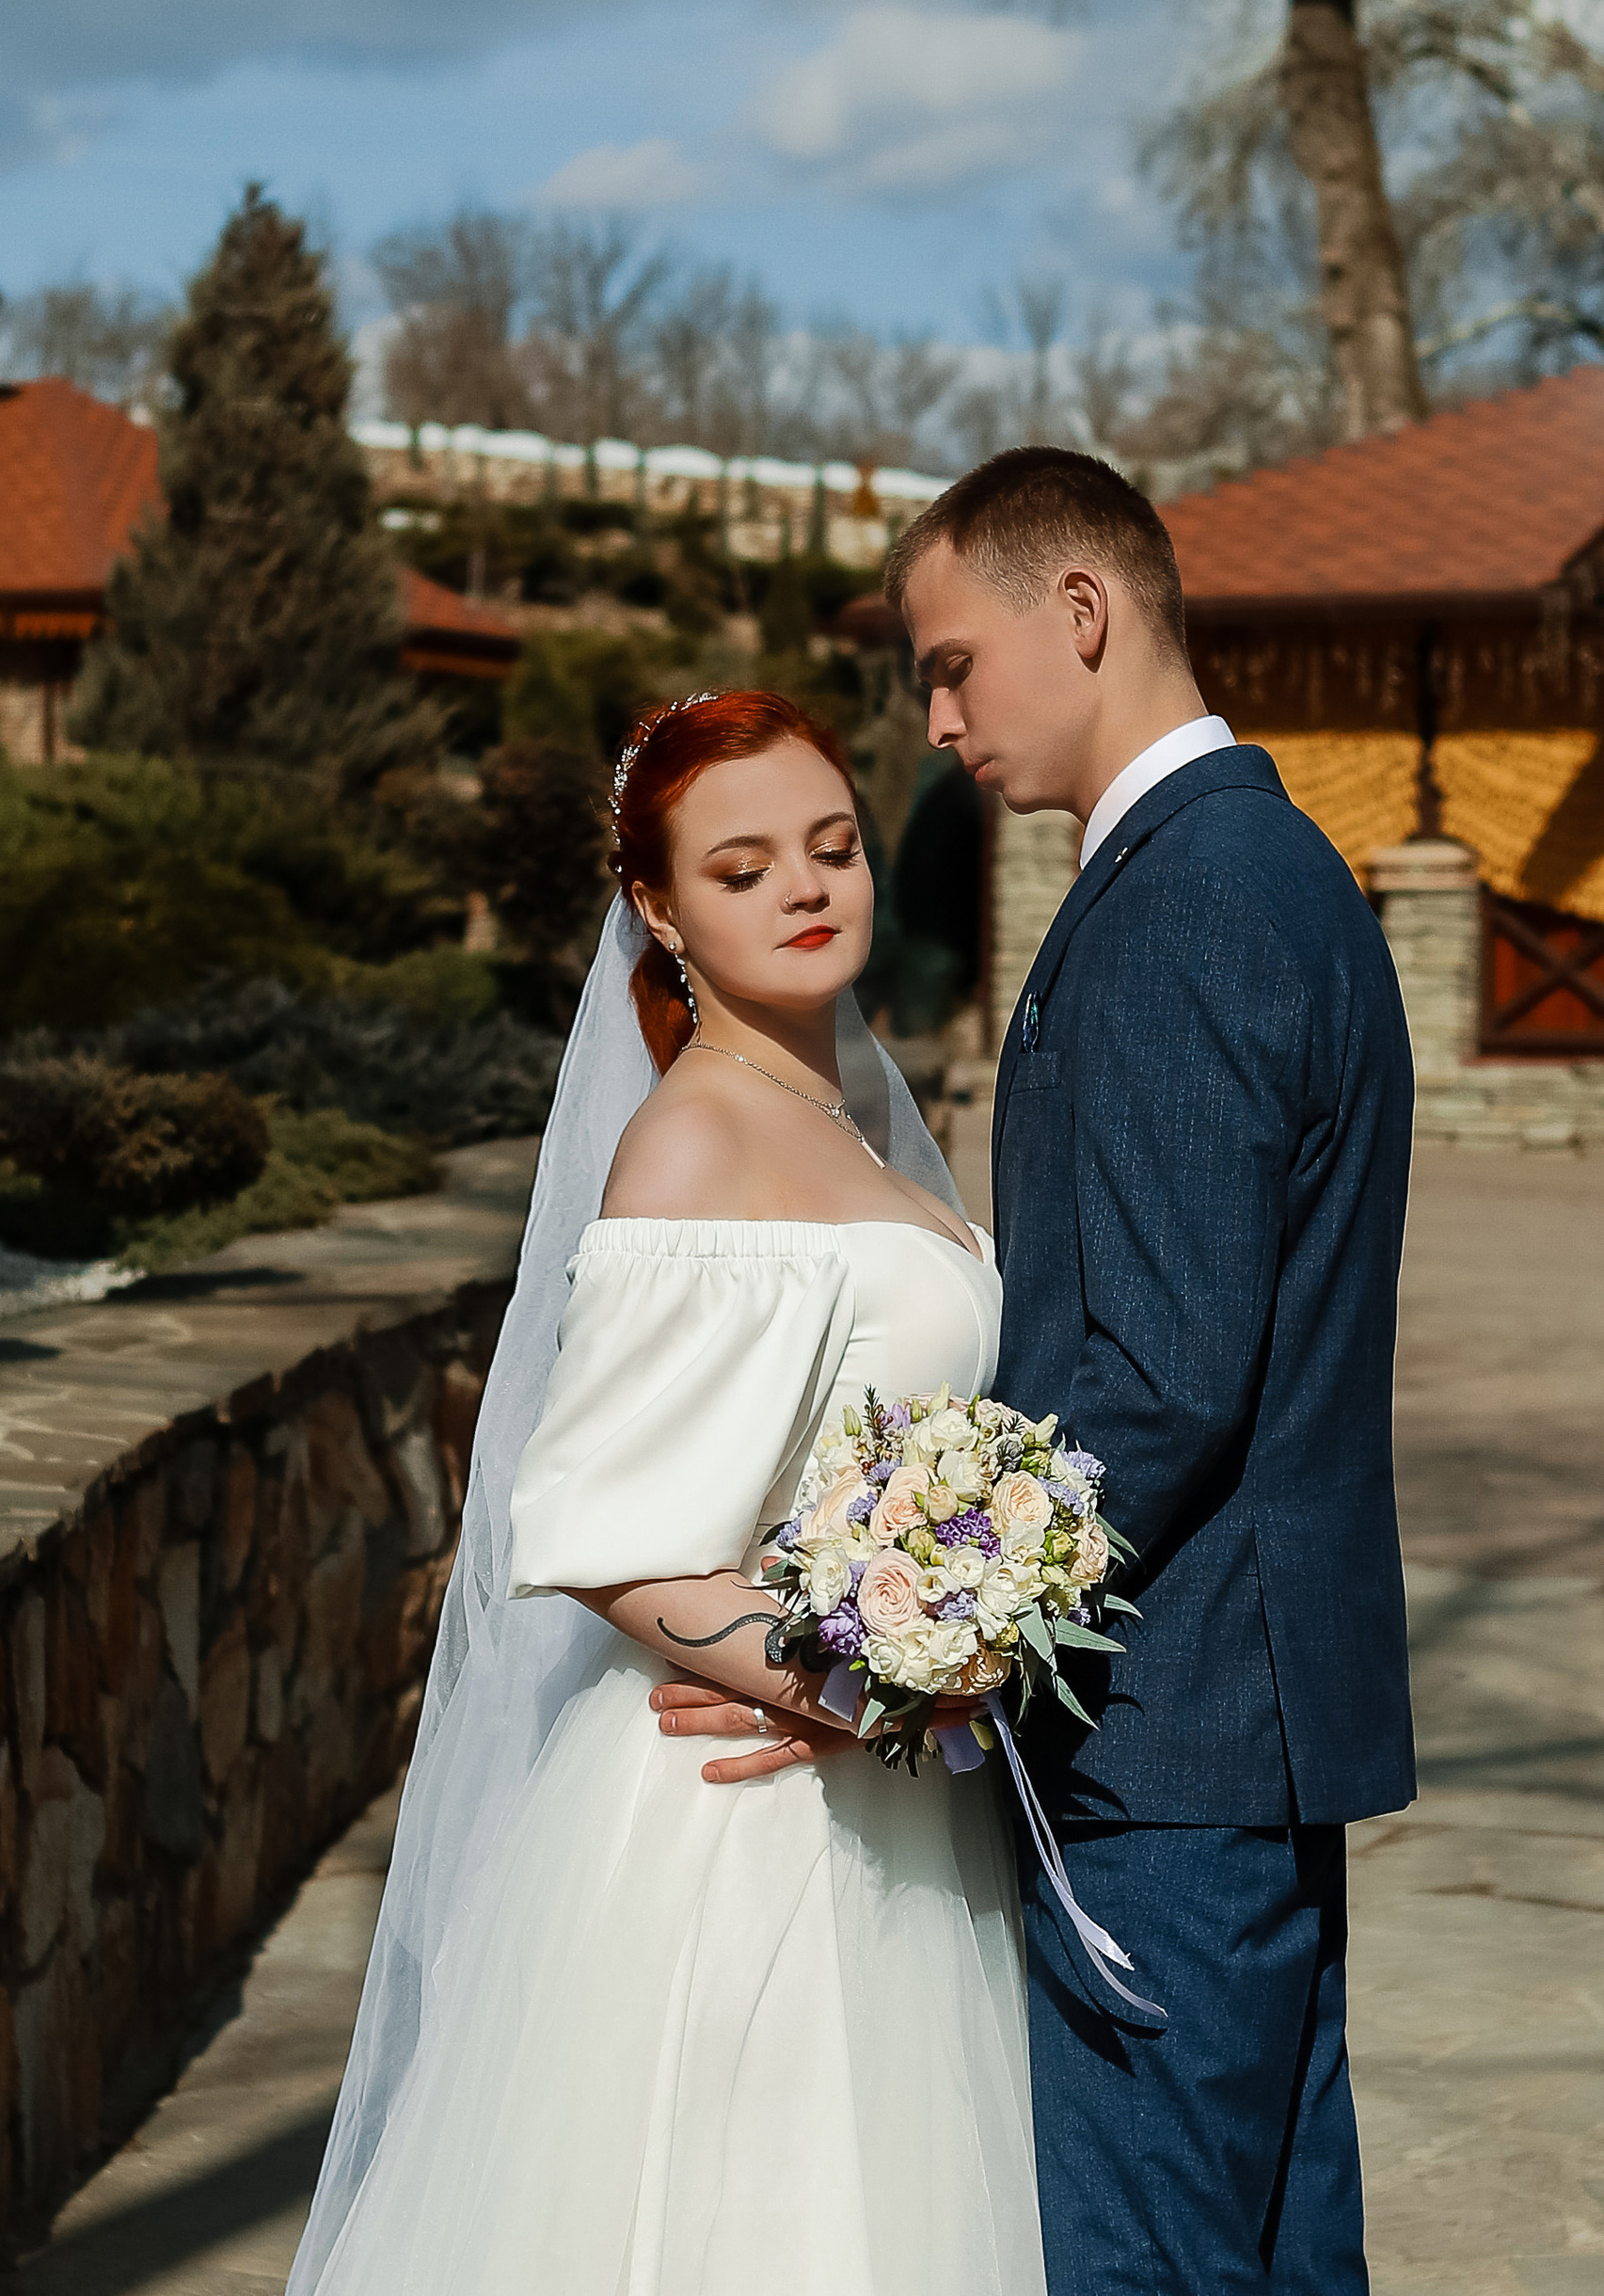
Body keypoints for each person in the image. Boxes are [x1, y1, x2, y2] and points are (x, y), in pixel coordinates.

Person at [661, 448, 1412, 2296]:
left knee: (1148, 2260)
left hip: (1163, 1745)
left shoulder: (1184, 901)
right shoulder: (1271, 864)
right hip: (1244, 1730)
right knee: (1275, 2250)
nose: (934, 723)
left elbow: (1158, 1376)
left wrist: (880, 1660)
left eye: (948, 666)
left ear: (1078, 613)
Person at [287, 687, 1045, 2296]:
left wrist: (946, 1655)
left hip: (891, 1802)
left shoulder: (853, 1115)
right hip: (741, 1827)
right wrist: (871, 1690)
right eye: (744, 867)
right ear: (659, 907)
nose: (808, 888)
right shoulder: (692, 1145)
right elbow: (603, 1537)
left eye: (833, 847)